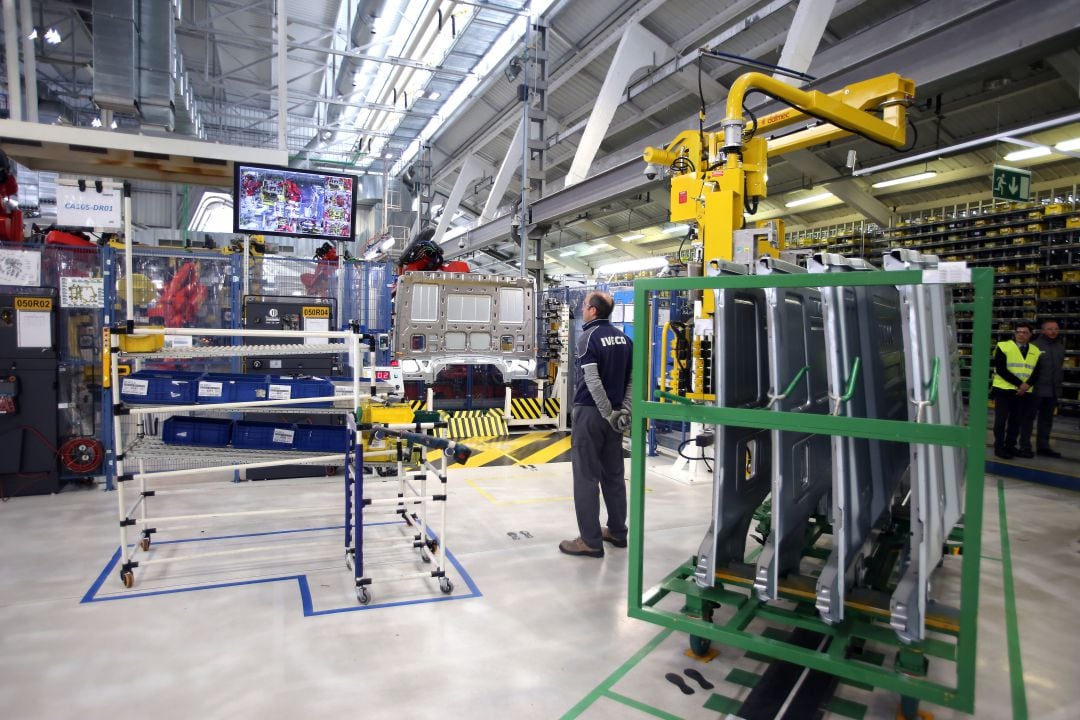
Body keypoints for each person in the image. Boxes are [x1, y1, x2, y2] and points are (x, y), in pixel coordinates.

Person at [560, 291, 632, 558]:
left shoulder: (587, 337)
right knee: (613, 475)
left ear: (592, 311)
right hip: (615, 416)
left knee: (586, 477)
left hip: (591, 414)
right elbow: (633, 378)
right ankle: (617, 530)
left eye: (584, 306)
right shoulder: (625, 339)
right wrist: (623, 411)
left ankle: (590, 540)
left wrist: (605, 412)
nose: (582, 309)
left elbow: (591, 380)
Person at [991, 322, 1041, 459]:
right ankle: (999, 448)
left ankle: (1010, 446)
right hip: (1004, 390)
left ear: (1031, 334)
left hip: (1024, 393)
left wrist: (1027, 385)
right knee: (1000, 421)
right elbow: (1001, 369)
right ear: (1014, 333)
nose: (1021, 334)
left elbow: (1036, 372)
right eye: (1018, 332)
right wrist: (1021, 384)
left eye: (1025, 332)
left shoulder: (1035, 351)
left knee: (1016, 422)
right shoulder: (1003, 346)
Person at [1032, 319, 1065, 457]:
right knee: (1027, 419)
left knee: (1046, 420)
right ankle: (1022, 445)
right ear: (1042, 330)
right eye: (1050, 329)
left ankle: (1043, 447)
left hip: (1052, 391)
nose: (1053, 332)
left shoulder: (1060, 347)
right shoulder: (1034, 346)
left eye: (1056, 329)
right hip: (1036, 390)